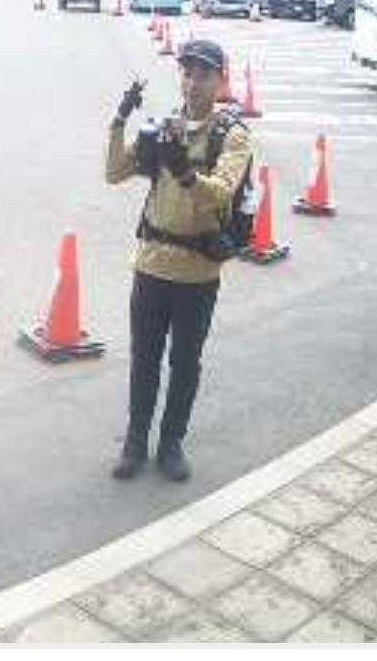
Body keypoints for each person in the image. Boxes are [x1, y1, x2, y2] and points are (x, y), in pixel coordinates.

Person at [104, 40, 254, 482]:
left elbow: (222, 192)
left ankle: (171, 442)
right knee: (144, 359)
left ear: (220, 80)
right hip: (152, 264)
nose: (193, 83)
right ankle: (135, 441)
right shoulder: (163, 128)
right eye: (187, 73)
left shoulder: (232, 135)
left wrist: (185, 170)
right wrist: (120, 119)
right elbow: (114, 173)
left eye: (203, 75)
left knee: (185, 363)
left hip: (198, 272)